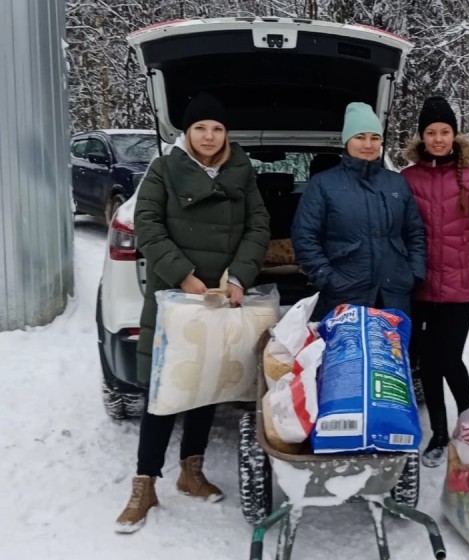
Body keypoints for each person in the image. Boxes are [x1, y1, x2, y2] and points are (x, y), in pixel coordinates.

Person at [115, 92, 271, 533]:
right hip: (176, 298)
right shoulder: (165, 169)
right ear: (187, 133)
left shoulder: (242, 173)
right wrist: (183, 275)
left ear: (227, 134)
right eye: (200, 128)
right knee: (164, 391)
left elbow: (259, 226)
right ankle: (145, 483)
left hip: (221, 297)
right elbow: (147, 224)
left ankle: (191, 470)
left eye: (217, 128)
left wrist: (238, 276)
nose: (209, 136)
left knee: (206, 384)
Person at [401, 95, 469, 468]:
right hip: (423, 285)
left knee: (449, 357)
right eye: (431, 132)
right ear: (422, 137)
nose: (439, 139)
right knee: (427, 360)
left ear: (455, 135)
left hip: (463, 285)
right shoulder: (408, 178)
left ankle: (467, 420)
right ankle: (440, 434)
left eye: (445, 131)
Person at [291, 102, 426, 321]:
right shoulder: (323, 184)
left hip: (393, 295)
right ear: (347, 140)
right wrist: (327, 278)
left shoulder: (396, 183)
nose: (368, 144)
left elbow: (415, 232)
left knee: (391, 354)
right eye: (360, 137)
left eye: (374, 137)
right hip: (344, 296)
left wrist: (413, 274)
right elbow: (305, 237)